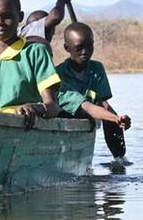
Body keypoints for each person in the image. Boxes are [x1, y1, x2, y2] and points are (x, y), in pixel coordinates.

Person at [0, 0, 61, 128]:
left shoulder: (35, 52)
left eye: (7, 16)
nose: (0, 22)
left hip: (19, 129)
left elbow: (53, 106)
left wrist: (34, 108)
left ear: (20, 17)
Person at [55, 22, 132, 168]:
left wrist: (117, 119)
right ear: (67, 48)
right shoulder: (58, 73)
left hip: (93, 109)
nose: (85, 52)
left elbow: (102, 101)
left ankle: (119, 159)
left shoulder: (96, 68)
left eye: (89, 46)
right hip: (66, 111)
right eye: (79, 48)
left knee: (111, 116)